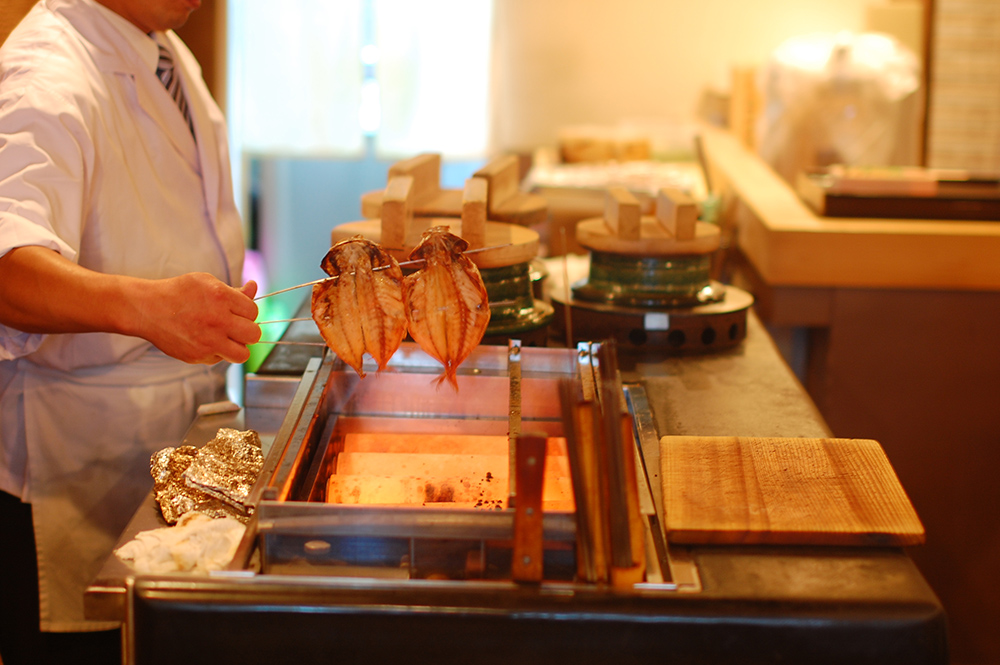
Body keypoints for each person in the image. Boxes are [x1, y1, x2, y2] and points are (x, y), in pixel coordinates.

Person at [0, 0, 261, 663]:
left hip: (169, 442)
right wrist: (148, 308)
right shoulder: (46, 71)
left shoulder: (161, 48)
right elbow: (8, 269)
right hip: (77, 462)